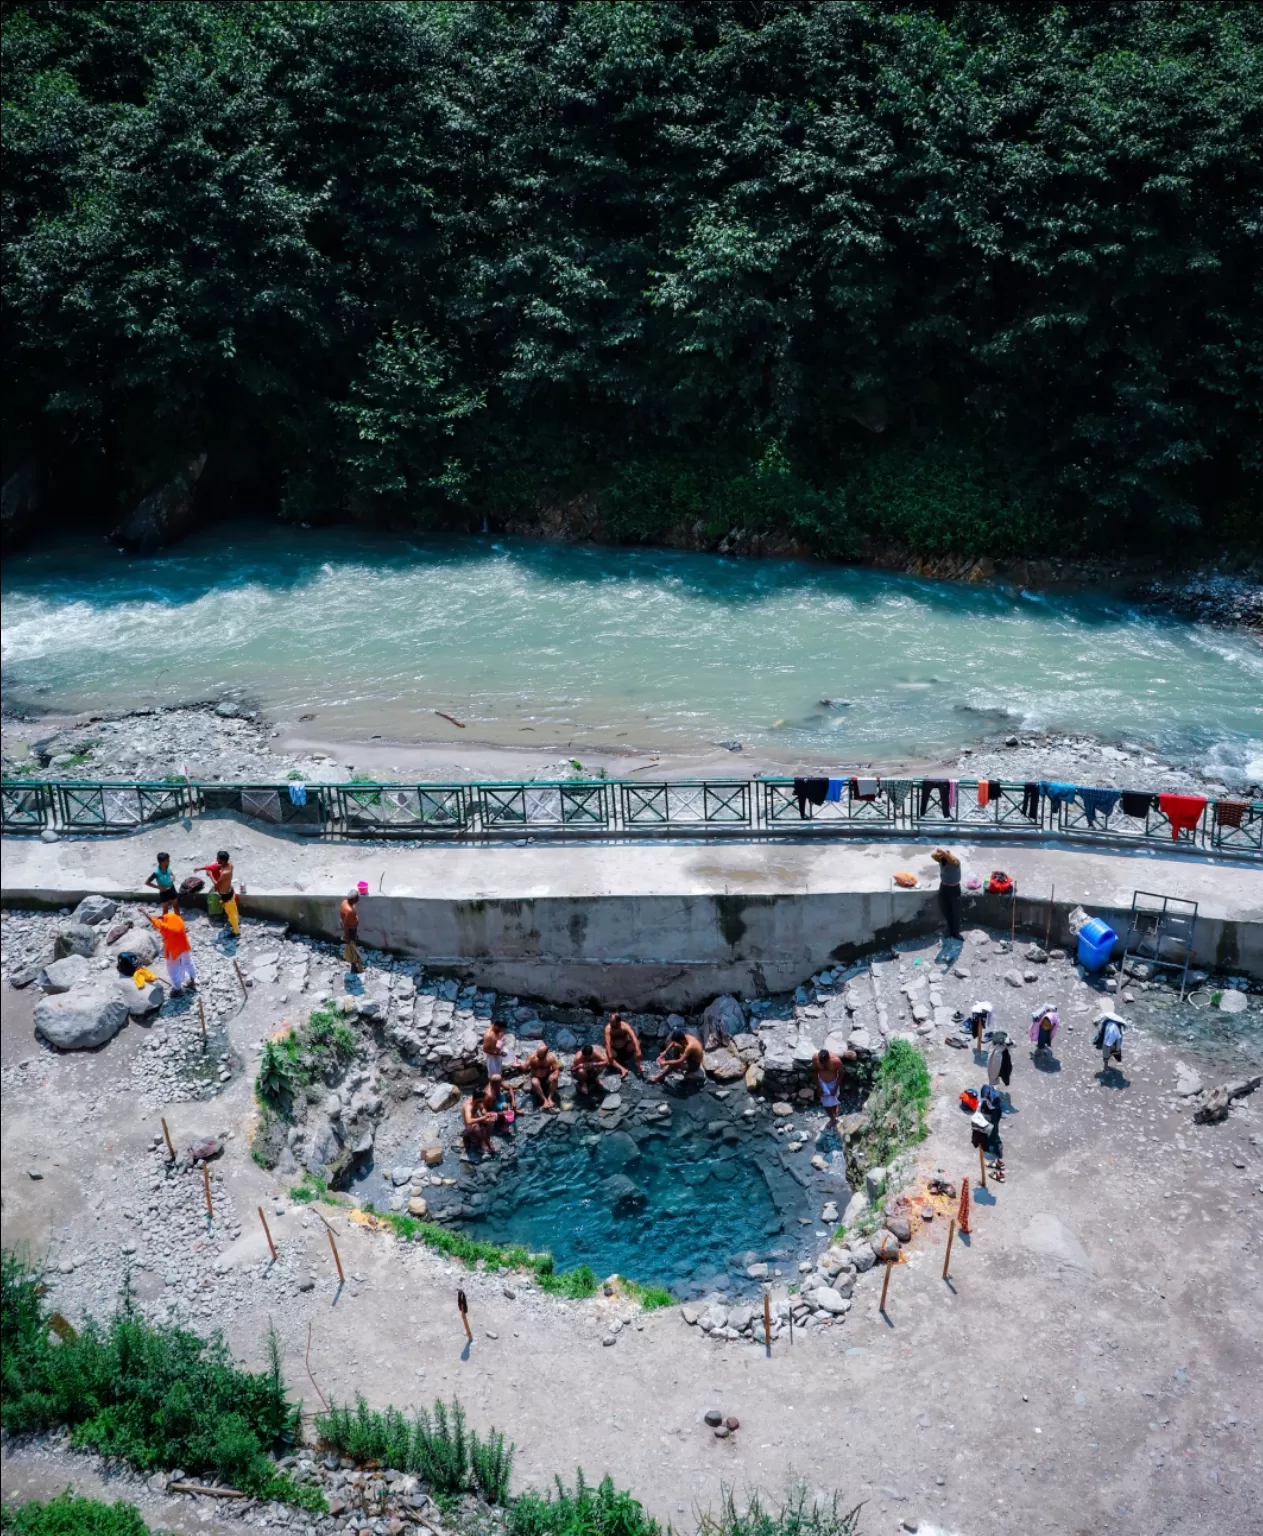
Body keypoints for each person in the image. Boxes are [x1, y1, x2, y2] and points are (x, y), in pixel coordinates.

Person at [147, 908, 196, 993]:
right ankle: (192, 982)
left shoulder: (166, 927)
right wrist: (162, 917)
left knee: (173, 969)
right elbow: (168, 917)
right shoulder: (179, 921)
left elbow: (152, 920)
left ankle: (178, 989)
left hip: (173, 951)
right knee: (188, 963)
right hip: (184, 947)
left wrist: (144, 912)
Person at [812, 1045, 856, 1129]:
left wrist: (835, 1087)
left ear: (828, 1058)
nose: (824, 1065)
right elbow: (814, 1072)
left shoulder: (836, 1061)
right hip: (822, 1083)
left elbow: (841, 1074)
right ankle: (832, 1118)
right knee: (826, 1104)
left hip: (833, 1083)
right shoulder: (815, 1059)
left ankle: (834, 1113)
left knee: (834, 1100)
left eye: (825, 1063)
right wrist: (818, 1087)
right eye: (821, 1063)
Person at [197, 850, 240, 936]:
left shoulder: (224, 873)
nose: (216, 859)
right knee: (234, 909)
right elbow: (215, 866)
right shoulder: (230, 865)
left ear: (223, 861)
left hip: (225, 895)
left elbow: (216, 884)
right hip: (230, 891)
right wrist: (202, 868)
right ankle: (236, 922)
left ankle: (236, 931)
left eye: (218, 858)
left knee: (230, 913)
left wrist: (210, 875)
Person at [930, 849, 963, 940]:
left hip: (954, 889)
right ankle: (948, 930)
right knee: (945, 909)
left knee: (956, 912)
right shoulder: (942, 861)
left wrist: (945, 853)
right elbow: (933, 856)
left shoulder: (955, 862)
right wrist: (940, 853)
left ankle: (955, 933)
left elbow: (952, 859)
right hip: (944, 887)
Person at [604, 1013, 643, 1077]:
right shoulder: (608, 1028)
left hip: (626, 1046)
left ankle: (639, 1066)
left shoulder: (624, 1026)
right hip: (615, 1049)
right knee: (609, 1054)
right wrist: (610, 1054)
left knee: (637, 1044)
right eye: (610, 1021)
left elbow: (633, 1037)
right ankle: (622, 1069)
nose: (611, 1023)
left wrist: (638, 1050)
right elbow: (607, 1043)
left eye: (613, 1022)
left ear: (618, 1022)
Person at [525, 1041, 561, 1110]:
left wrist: (555, 1075)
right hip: (536, 1077)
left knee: (555, 1079)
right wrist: (519, 1065)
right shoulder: (532, 1057)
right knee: (534, 1082)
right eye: (537, 1053)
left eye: (539, 1055)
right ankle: (544, 1100)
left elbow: (556, 1069)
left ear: (545, 1055)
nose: (537, 1055)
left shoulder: (550, 1058)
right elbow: (525, 1067)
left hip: (547, 1077)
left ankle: (550, 1098)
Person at [461, 1091, 496, 1156]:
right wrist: (483, 1118)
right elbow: (468, 1121)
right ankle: (482, 1142)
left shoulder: (478, 1101)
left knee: (490, 1121)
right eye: (481, 1100)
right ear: (477, 1099)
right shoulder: (468, 1106)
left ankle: (487, 1139)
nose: (482, 1102)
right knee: (476, 1126)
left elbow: (482, 1109)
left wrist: (486, 1114)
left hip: (476, 1118)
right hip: (469, 1124)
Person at [339, 889, 364, 973]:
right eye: (357, 898)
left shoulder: (345, 902)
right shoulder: (349, 911)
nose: (358, 900)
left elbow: (344, 920)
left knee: (352, 945)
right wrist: (348, 938)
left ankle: (354, 964)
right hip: (350, 930)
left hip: (347, 925)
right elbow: (346, 925)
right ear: (354, 900)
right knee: (352, 947)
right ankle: (353, 967)